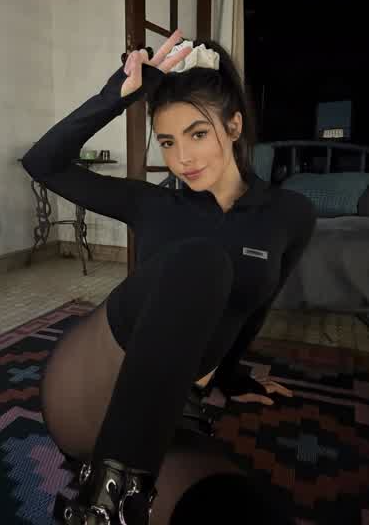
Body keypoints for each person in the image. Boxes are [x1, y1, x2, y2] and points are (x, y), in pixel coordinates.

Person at [21, 30, 315, 524]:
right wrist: (119, 94)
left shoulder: (291, 214)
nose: (182, 159)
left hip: (172, 411)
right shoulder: (153, 203)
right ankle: (99, 507)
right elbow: (42, 163)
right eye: (168, 141)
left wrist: (231, 375)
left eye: (197, 134)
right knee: (202, 261)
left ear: (234, 125)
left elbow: (253, 309)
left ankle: (117, 491)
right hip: (89, 391)